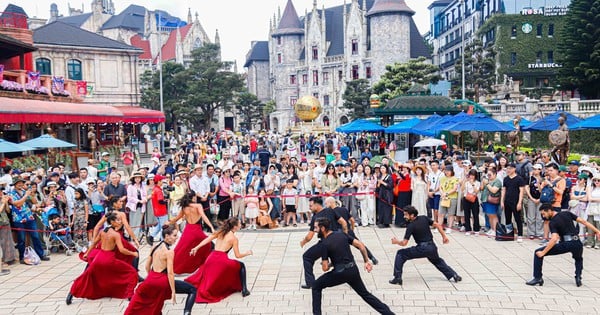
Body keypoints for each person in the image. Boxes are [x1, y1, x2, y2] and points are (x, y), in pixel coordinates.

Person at [311, 217, 394, 315]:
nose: (314, 230)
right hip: (353, 270)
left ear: (323, 228)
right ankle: (388, 313)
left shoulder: (324, 244)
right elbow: (361, 246)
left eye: (316, 228)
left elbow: (325, 268)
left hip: (339, 273)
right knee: (365, 294)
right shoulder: (342, 234)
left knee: (316, 286)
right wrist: (366, 261)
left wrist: (328, 264)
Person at [66, 213, 139, 304]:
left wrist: (87, 253)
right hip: (109, 259)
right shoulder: (116, 235)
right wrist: (133, 253)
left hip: (98, 258)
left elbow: (93, 244)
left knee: (86, 276)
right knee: (132, 272)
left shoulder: (102, 232)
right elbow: (122, 250)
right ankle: (130, 295)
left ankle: (71, 294)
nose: (120, 222)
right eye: (118, 220)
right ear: (112, 222)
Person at [124, 224, 197, 315]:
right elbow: (170, 273)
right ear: (166, 236)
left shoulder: (154, 246)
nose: (177, 237)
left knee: (152, 305)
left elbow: (147, 266)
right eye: (174, 235)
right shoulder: (169, 252)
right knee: (192, 290)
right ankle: (187, 313)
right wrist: (173, 291)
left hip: (150, 279)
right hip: (162, 281)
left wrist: (152, 278)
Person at [526, 203, 600, 287]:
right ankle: (578, 277)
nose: (544, 216)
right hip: (577, 243)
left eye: (544, 213)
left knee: (538, 252)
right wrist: (597, 231)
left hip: (566, 244)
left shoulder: (552, 222)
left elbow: (554, 239)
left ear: (550, 211)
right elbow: (583, 221)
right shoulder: (567, 213)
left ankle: (537, 278)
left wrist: (543, 252)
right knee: (578, 259)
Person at [389, 205, 462, 285]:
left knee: (400, 254)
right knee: (437, 260)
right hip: (432, 247)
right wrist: (444, 237)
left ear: (412, 215)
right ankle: (454, 275)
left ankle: (397, 277)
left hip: (422, 248)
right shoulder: (424, 218)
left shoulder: (411, 226)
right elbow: (437, 225)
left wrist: (396, 242)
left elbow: (404, 243)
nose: (404, 216)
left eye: (406, 214)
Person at [186, 217, 251, 303]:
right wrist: (247, 253)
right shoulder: (234, 239)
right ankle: (244, 290)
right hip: (221, 260)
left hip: (211, 258)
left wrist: (196, 248)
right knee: (241, 265)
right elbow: (238, 255)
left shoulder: (221, 232)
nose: (240, 225)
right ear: (234, 227)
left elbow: (207, 239)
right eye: (239, 224)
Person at [300, 196, 347, 289]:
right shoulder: (330, 211)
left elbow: (309, 236)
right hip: (337, 240)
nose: (309, 208)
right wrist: (344, 236)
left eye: (311, 206)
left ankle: (310, 283)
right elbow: (344, 222)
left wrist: (303, 242)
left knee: (307, 257)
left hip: (325, 243)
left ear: (317, 205)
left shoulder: (316, 218)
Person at [8, 178, 49, 263]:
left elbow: (34, 202)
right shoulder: (10, 194)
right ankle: (22, 257)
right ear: (14, 185)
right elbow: (17, 204)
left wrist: (32, 195)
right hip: (18, 219)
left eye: (21, 183)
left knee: (35, 236)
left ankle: (41, 254)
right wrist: (26, 195)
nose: (20, 184)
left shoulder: (24, 192)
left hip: (29, 217)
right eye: (18, 183)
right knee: (21, 239)